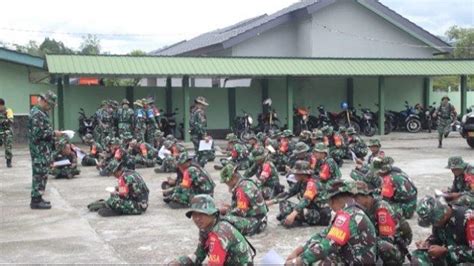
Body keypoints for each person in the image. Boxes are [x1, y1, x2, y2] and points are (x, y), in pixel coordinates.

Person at [284, 180, 377, 265]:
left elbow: (327, 245)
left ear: (333, 200)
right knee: (313, 252)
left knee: (319, 261)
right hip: (351, 258)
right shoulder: (349, 211)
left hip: (356, 262)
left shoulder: (348, 216)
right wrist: (300, 250)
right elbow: (323, 235)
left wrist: (297, 261)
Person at [169, 195, 255, 265]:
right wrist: (180, 262)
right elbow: (199, 255)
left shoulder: (219, 234)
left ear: (212, 214)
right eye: (194, 214)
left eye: (202, 214)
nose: (197, 219)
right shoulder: (206, 228)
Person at [353, 181, 412, 264]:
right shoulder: (363, 208)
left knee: (381, 246)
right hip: (380, 240)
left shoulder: (382, 208)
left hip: (394, 246)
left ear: (365, 196)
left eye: (356, 198)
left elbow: (387, 239)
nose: (354, 201)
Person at [411, 196, 473, 265]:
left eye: (433, 222)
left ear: (443, 216)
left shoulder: (468, 220)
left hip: (466, 260)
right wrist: (428, 243)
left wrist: (446, 251)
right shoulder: (439, 221)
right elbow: (437, 237)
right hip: (451, 258)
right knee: (419, 256)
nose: (433, 225)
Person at [269, 160, 331, 228]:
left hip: (320, 214)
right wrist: (271, 202)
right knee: (284, 203)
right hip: (311, 209)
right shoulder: (302, 182)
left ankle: (295, 220)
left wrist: (293, 214)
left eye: (296, 173)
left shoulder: (312, 183)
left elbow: (305, 200)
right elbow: (289, 193)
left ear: (303, 174)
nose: (294, 175)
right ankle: (294, 219)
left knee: (292, 213)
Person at [28, 91, 63, 209]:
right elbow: (38, 134)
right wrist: (54, 133)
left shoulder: (40, 112)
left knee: (42, 173)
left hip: (43, 149)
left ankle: (38, 197)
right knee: (39, 173)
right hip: (39, 150)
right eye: (49, 105)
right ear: (43, 101)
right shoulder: (37, 114)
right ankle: (35, 200)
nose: (50, 108)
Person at [218, 164, 268, 236]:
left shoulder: (241, 189)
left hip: (256, 222)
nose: (227, 184)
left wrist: (226, 210)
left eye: (226, 182)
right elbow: (244, 206)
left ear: (232, 178)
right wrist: (231, 207)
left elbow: (241, 211)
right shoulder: (244, 183)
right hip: (260, 219)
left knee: (223, 220)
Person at [189, 96, 215, 167]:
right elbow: (200, 126)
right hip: (199, 135)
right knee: (203, 153)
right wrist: (204, 136)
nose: (204, 106)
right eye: (203, 105)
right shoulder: (200, 112)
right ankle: (198, 168)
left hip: (194, 135)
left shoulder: (193, 112)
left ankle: (195, 167)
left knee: (198, 152)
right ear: (199, 104)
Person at [0, 98, 14, 167]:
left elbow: (11, 120)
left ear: (2, 105)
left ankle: (9, 162)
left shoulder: (8, 110)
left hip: (7, 132)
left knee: (8, 148)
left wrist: (3, 121)